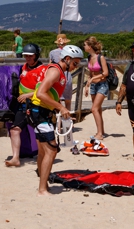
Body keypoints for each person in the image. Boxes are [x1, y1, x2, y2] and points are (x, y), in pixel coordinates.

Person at [30, 45, 83, 196]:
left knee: (43, 151)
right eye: (75, 63)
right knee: (51, 150)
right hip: (39, 112)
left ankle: (43, 184)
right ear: (67, 59)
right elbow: (41, 93)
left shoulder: (60, 71)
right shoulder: (55, 71)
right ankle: (42, 189)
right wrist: (61, 107)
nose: (75, 67)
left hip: (41, 112)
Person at [5, 43, 45, 167]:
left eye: (30, 56)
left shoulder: (43, 70)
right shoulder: (23, 68)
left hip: (38, 105)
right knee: (15, 130)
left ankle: (43, 155)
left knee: (40, 131)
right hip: (22, 105)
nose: (27, 58)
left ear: (36, 55)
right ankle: (15, 158)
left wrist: (28, 95)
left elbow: (46, 89)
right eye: (26, 56)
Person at [84, 36, 109, 140]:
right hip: (93, 85)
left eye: (85, 45)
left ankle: (99, 134)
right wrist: (87, 85)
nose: (84, 47)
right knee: (98, 109)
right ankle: (101, 130)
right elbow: (90, 73)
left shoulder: (100, 57)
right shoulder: (89, 58)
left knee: (94, 109)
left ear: (90, 46)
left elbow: (105, 73)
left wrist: (94, 78)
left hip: (102, 85)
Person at [49, 34, 72, 110]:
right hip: (67, 75)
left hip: (57, 75)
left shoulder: (52, 52)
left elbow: (50, 65)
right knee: (68, 100)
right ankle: (67, 117)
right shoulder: (70, 52)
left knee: (56, 98)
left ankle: (59, 116)